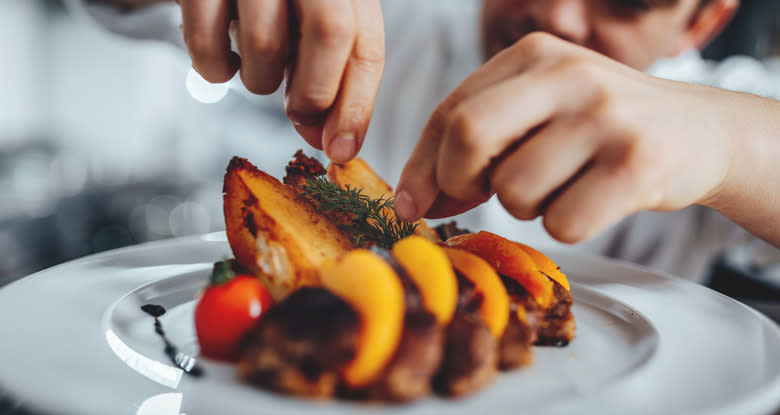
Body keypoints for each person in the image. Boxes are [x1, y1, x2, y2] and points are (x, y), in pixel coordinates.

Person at [68, 0, 779, 283]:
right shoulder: (393, 16)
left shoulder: (736, 99)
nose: (558, 14)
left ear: (702, 23)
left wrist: (727, 143)